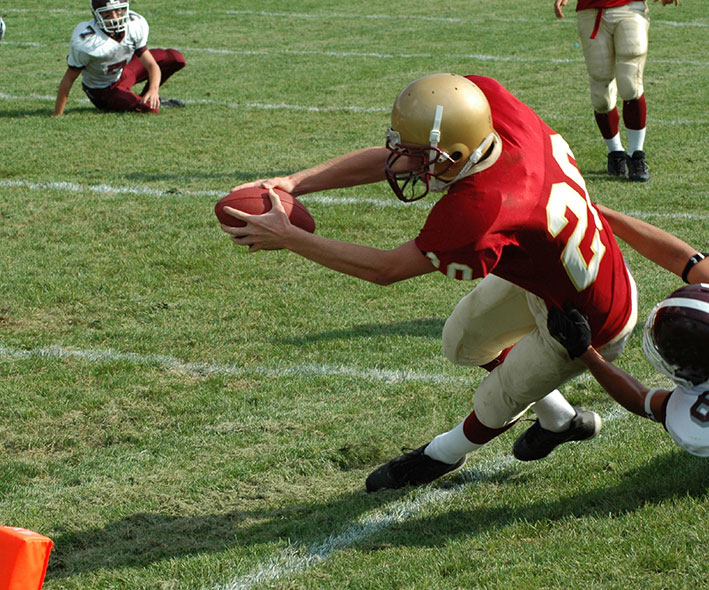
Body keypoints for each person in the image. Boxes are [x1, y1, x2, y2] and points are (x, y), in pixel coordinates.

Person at [220, 73, 637, 492]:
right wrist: (294, 182)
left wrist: (290, 237)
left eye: (423, 158)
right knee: (463, 341)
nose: (409, 164)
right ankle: (560, 419)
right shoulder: (484, 108)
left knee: (498, 396)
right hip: (551, 270)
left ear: (456, 153)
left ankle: (441, 454)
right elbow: (406, 155)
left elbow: (385, 270)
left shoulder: (482, 209)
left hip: (588, 317)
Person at [547, 283, 709, 457]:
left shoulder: (696, 424)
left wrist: (584, 351)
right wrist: (586, 352)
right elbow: (642, 400)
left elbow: (642, 400)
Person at [553, 0, 679, 182]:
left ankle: (636, 154)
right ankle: (616, 152)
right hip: (592, 11)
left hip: (630, 8)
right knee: (601, 94)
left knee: (631, 84)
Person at [54, 0, 186, 116]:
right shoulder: (87, 41)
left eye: (118, 11)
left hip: (123, 73)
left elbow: (152, 65)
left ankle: (148, 97)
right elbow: (69, 79)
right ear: (96, 15)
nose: (114, 18)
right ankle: (146, 102)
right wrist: (57, 114)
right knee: (151, 110)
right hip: (103, 90)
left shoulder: (134, 26)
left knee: (176, 58)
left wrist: (153, 90)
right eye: (107, 14)